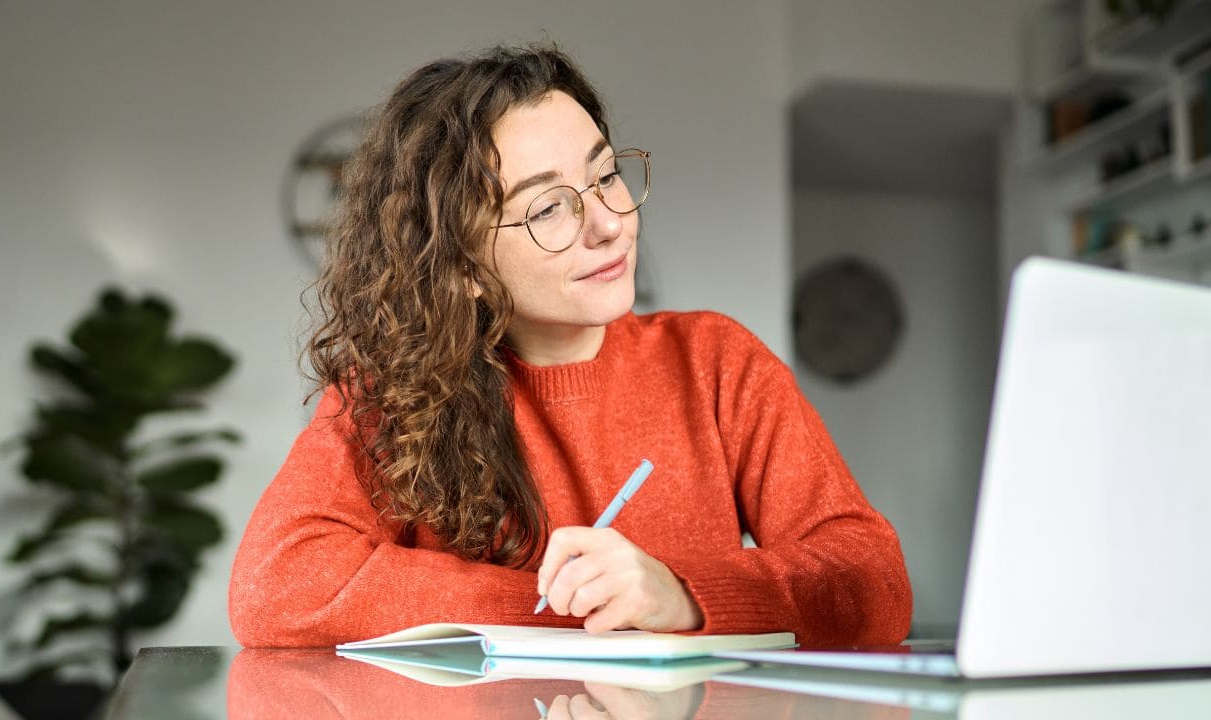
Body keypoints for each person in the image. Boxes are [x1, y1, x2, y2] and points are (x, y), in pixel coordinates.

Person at [229, 44, 912, 648]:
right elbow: (274, 584)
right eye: (549, 207)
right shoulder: (390, 395)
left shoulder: (717, 362)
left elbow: (872, 580)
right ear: (462, 265)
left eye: (607, 174)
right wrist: (562, 609)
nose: (611, 223)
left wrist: (676, 592)